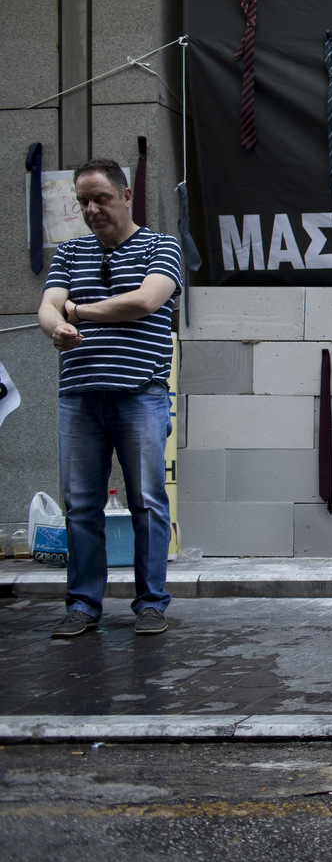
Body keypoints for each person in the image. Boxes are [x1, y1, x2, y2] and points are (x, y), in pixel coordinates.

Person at [37, 159, 182, 638]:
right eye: (82, 201)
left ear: (125, 196)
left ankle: (151, 604)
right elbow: (47, 305)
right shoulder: (69, 253)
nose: (91, 208)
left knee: (147, 501)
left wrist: (75, 310)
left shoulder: (161, 247)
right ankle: (82, 606)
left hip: (140, 393)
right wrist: (56, 325)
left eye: (100, 197)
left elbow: (144, 301)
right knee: (80, 505)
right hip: (78, 395)